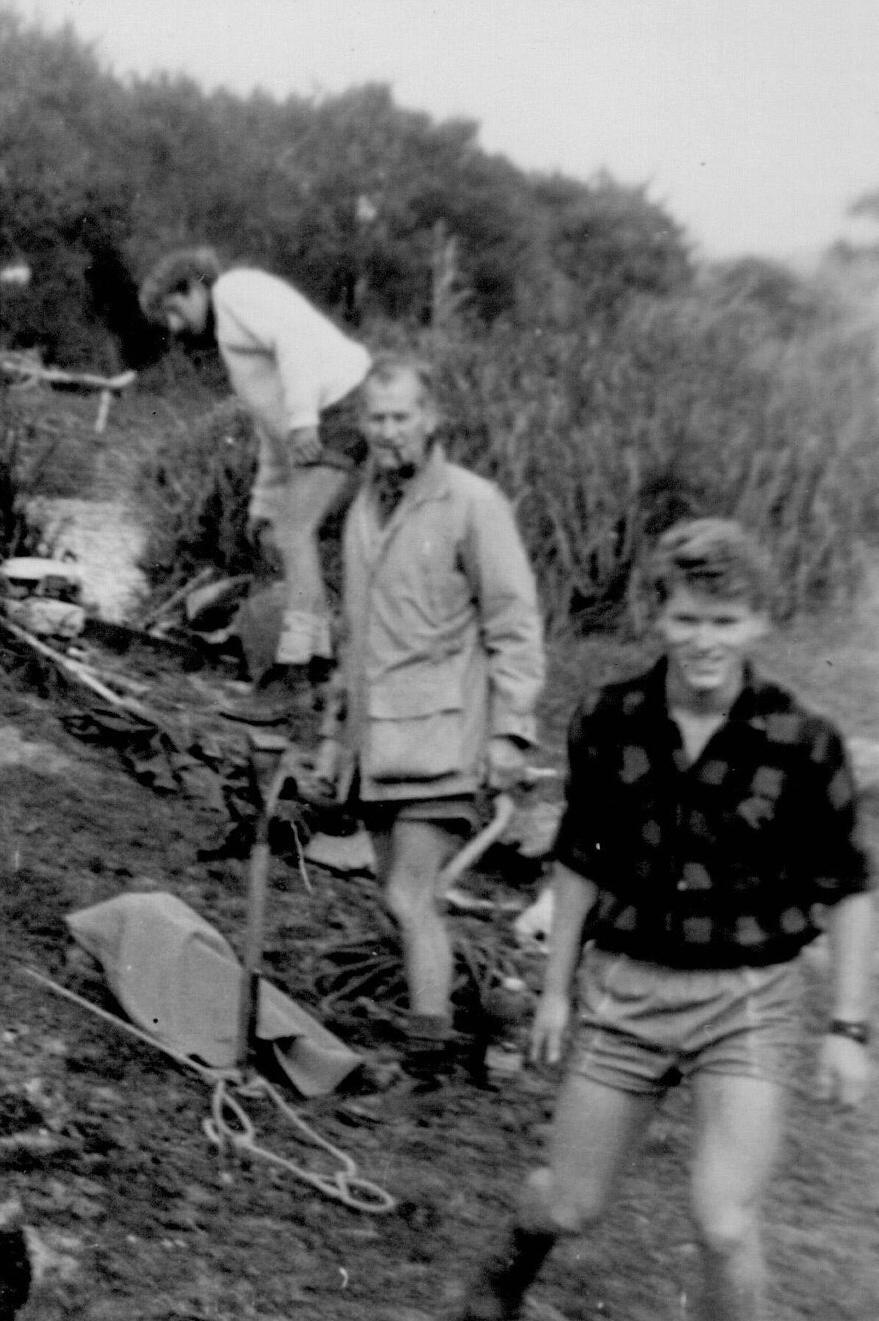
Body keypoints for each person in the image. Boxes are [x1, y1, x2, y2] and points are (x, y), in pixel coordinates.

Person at [454, 519, 872, 1321]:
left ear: (758, 622)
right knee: (568, 1201)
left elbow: (848, 886)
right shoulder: (609, 719)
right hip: (628, 991)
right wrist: (555, 992)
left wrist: (848, 1029)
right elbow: (580, 859)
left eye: (724, 621)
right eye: (686, 618)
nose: (704, 640)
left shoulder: (802, 737)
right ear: (657, 616)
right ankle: (500, 1285)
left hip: (747, 997)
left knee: (725, 1221)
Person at [340, 354, 544, 1083]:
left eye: (402, 417)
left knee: (408, 894)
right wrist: (339, 735)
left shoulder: (472, 503)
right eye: (377, 418)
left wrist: (510, 732)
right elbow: (358, 631)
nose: (389, 432)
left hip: (444, 735)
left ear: (431, 419)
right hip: (379, 738)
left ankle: (425, 1063)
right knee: (401, 895)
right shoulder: (364, 507)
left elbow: (514, 622)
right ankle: (492, 1011)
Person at [139, 248, 372, 721]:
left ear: (194, 287)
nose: (175, 326)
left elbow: (297, 342)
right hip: (326, 414)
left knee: (294, 534)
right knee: (279, 535)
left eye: (174, 310)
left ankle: (296, 675)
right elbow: (273, 430)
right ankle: (319, 666)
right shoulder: (231, 339)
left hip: (340, 407)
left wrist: (306, 419)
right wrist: (262, 503)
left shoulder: (236, 292)